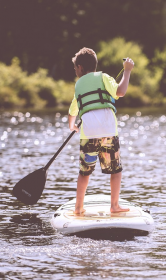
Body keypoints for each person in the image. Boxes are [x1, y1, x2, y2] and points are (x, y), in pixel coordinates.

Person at [68, 47, 134, 214]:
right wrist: (127, 72)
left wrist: (72, 125)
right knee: (115, 170)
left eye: (75, 67)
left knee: (84, 172)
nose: (75, 71)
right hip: (108, 132)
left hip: (88, 134)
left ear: (81, 67)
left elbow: (73, 110)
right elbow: (121, 91)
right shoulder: (104, 77)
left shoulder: (78, 85)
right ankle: (114, 206)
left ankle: (78, 208)